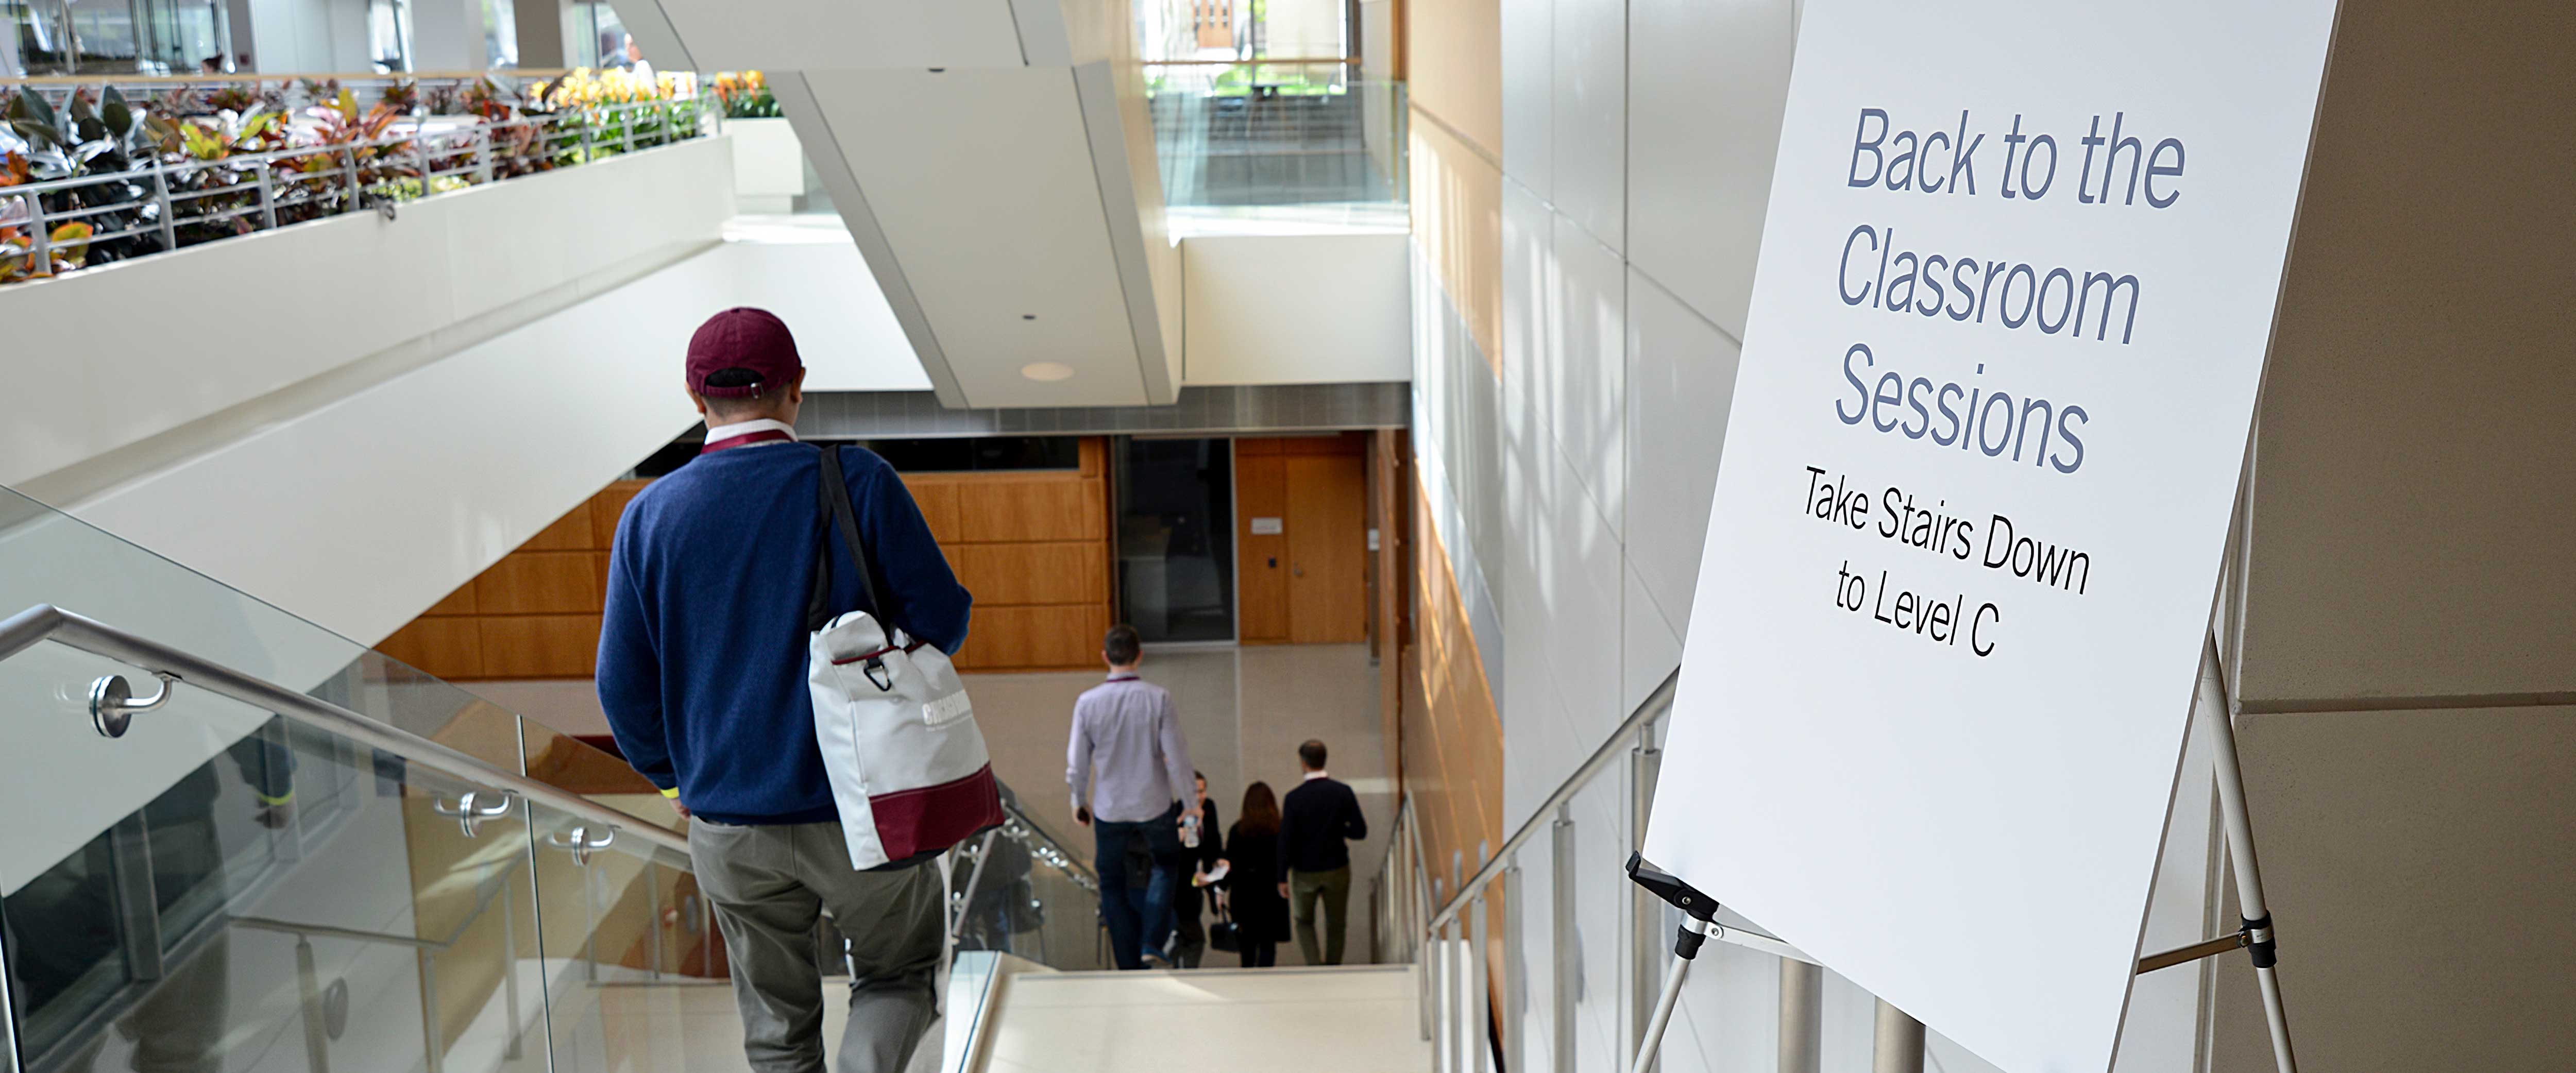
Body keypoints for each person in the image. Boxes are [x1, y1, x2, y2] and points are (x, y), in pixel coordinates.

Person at [598, 307, 972, 1073]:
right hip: (868, 807)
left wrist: (674, 778)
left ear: (694, 395)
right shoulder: (857, 479)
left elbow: (622, 684)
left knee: (775, 1028)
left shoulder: (648, 516)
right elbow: (945, 618)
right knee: (898, 975)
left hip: (731, 820)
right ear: (796, 387)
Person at [1065, 624, 1198, 970]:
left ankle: (1127, 962)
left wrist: (1078, 801)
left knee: (1111, 881)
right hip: (1154, 804)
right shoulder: (1159, 698)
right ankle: (1152, 941)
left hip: (1110, 809)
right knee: (1166, 866)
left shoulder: (1087, 703)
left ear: (1105, 657)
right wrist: (1190, 804)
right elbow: (1178, 758)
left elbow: (1077, 762)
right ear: (1140, 655)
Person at [1278, 739, 1367, 966]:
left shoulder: (1294, 798)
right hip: (1337, 867)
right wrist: (1339, 828)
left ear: (1303, 763)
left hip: (1304, 870)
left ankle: (1314, 966)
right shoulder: (1343, 792)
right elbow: (1360, 831)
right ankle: (1333, 966)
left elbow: (1286, 840)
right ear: (1324, 760)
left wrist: (1281, 876)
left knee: (1304, 921)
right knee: (1336, 923)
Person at [1220, 781, 1289, 967]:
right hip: (1271, 893)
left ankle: (1248, 985)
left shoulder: (1238, 830)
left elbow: (1229, 864)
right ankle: (1267, 986)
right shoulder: (1279, 829)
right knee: (1268, 945)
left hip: (1244, 894)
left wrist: (1220, 890)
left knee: (1247, 947)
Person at [1170, 771, 1224, 967]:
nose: (1199, 797)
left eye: (1202, 791)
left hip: (1198, 885)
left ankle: (1179, 973)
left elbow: (1213, 844)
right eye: (1194, 792)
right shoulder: (1175, 813)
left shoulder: (1209, 808)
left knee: (1185, 938)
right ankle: (1180, 973)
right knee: (1193, 938)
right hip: (1179, 888)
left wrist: (1219, 864)